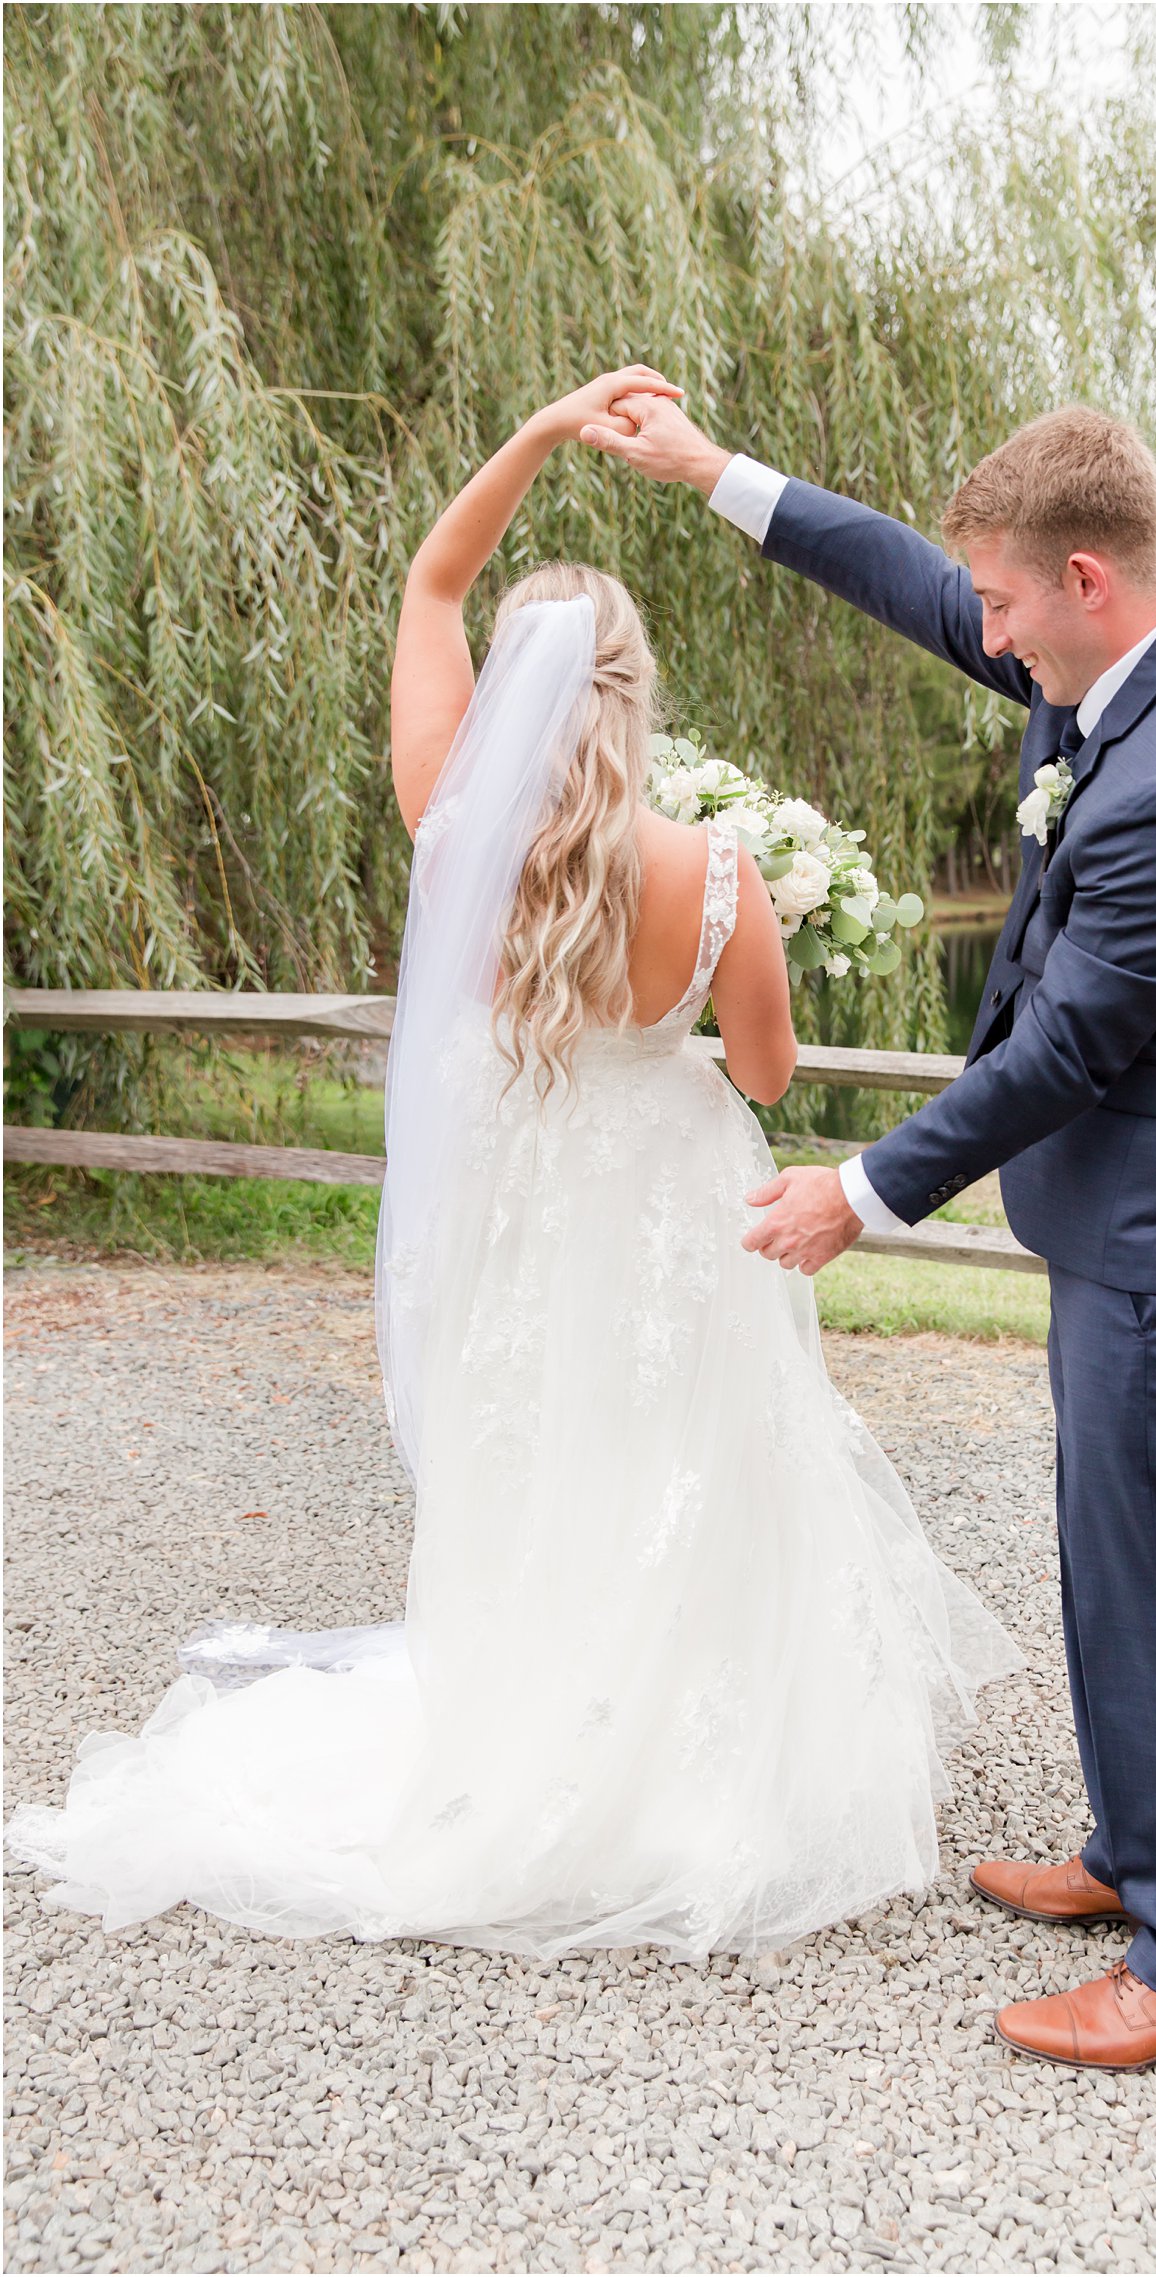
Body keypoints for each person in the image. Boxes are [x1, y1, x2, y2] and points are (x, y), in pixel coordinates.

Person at [4, 369, 1019, 1960]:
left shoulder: (447, 820)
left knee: (537, 1448)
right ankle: (688, 1763)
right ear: (633, 689)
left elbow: (431, 578)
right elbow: (764, 1072)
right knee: (687, 1456)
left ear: (525, 693)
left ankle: (526, 1735)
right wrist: (749, 942)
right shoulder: (718, 872)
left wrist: (545, 435)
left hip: (534, 1194)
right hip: (676, 1197)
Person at [583, 390, 1156, 2069]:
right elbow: (909, 581)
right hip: (1130, 1222)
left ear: (1084, 575)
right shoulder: (1110, 658)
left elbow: (1070, 1045)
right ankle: (1136, 1857)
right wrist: (716, 472)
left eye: (1001, 604)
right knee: (1109, 1559)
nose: (981, 633)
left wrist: (857, 1194)